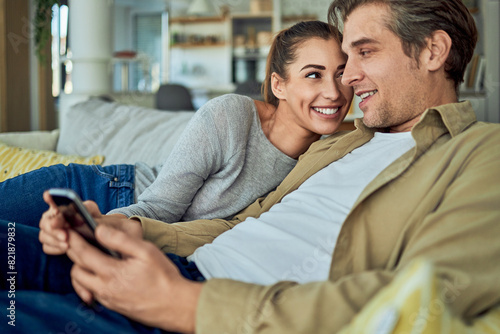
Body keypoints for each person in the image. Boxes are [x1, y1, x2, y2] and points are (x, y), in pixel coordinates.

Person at [2, 1, 500, 333]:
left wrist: (183, 305)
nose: (347, 78)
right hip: (166, 266)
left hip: (207, 310)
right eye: (343, 59)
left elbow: (422, 297)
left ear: (434, 50)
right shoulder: (341, 142)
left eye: (364, 53)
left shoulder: (481, 154)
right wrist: (127, 232)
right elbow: (238, 223)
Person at [0, 20, 352, 227]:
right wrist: (98, 227)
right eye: (313, 75)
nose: (333, 93)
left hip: (147, 229)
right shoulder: (232, 117)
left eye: (341, 74)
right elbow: (159, 209)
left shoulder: (336, 150)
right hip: (107, 193)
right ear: (279, 85)